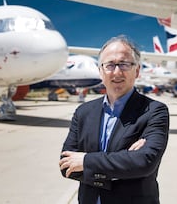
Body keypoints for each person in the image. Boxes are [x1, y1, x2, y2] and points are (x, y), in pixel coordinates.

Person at [59, 35, 170, 204]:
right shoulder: (83, 112)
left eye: (124, 64)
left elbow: (145, 162)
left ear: (137, 71)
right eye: (110, 65)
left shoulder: (154, 111)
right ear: (101, 71)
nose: (117, 72)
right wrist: (124, 162)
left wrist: (86, 161)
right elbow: (66, 165)